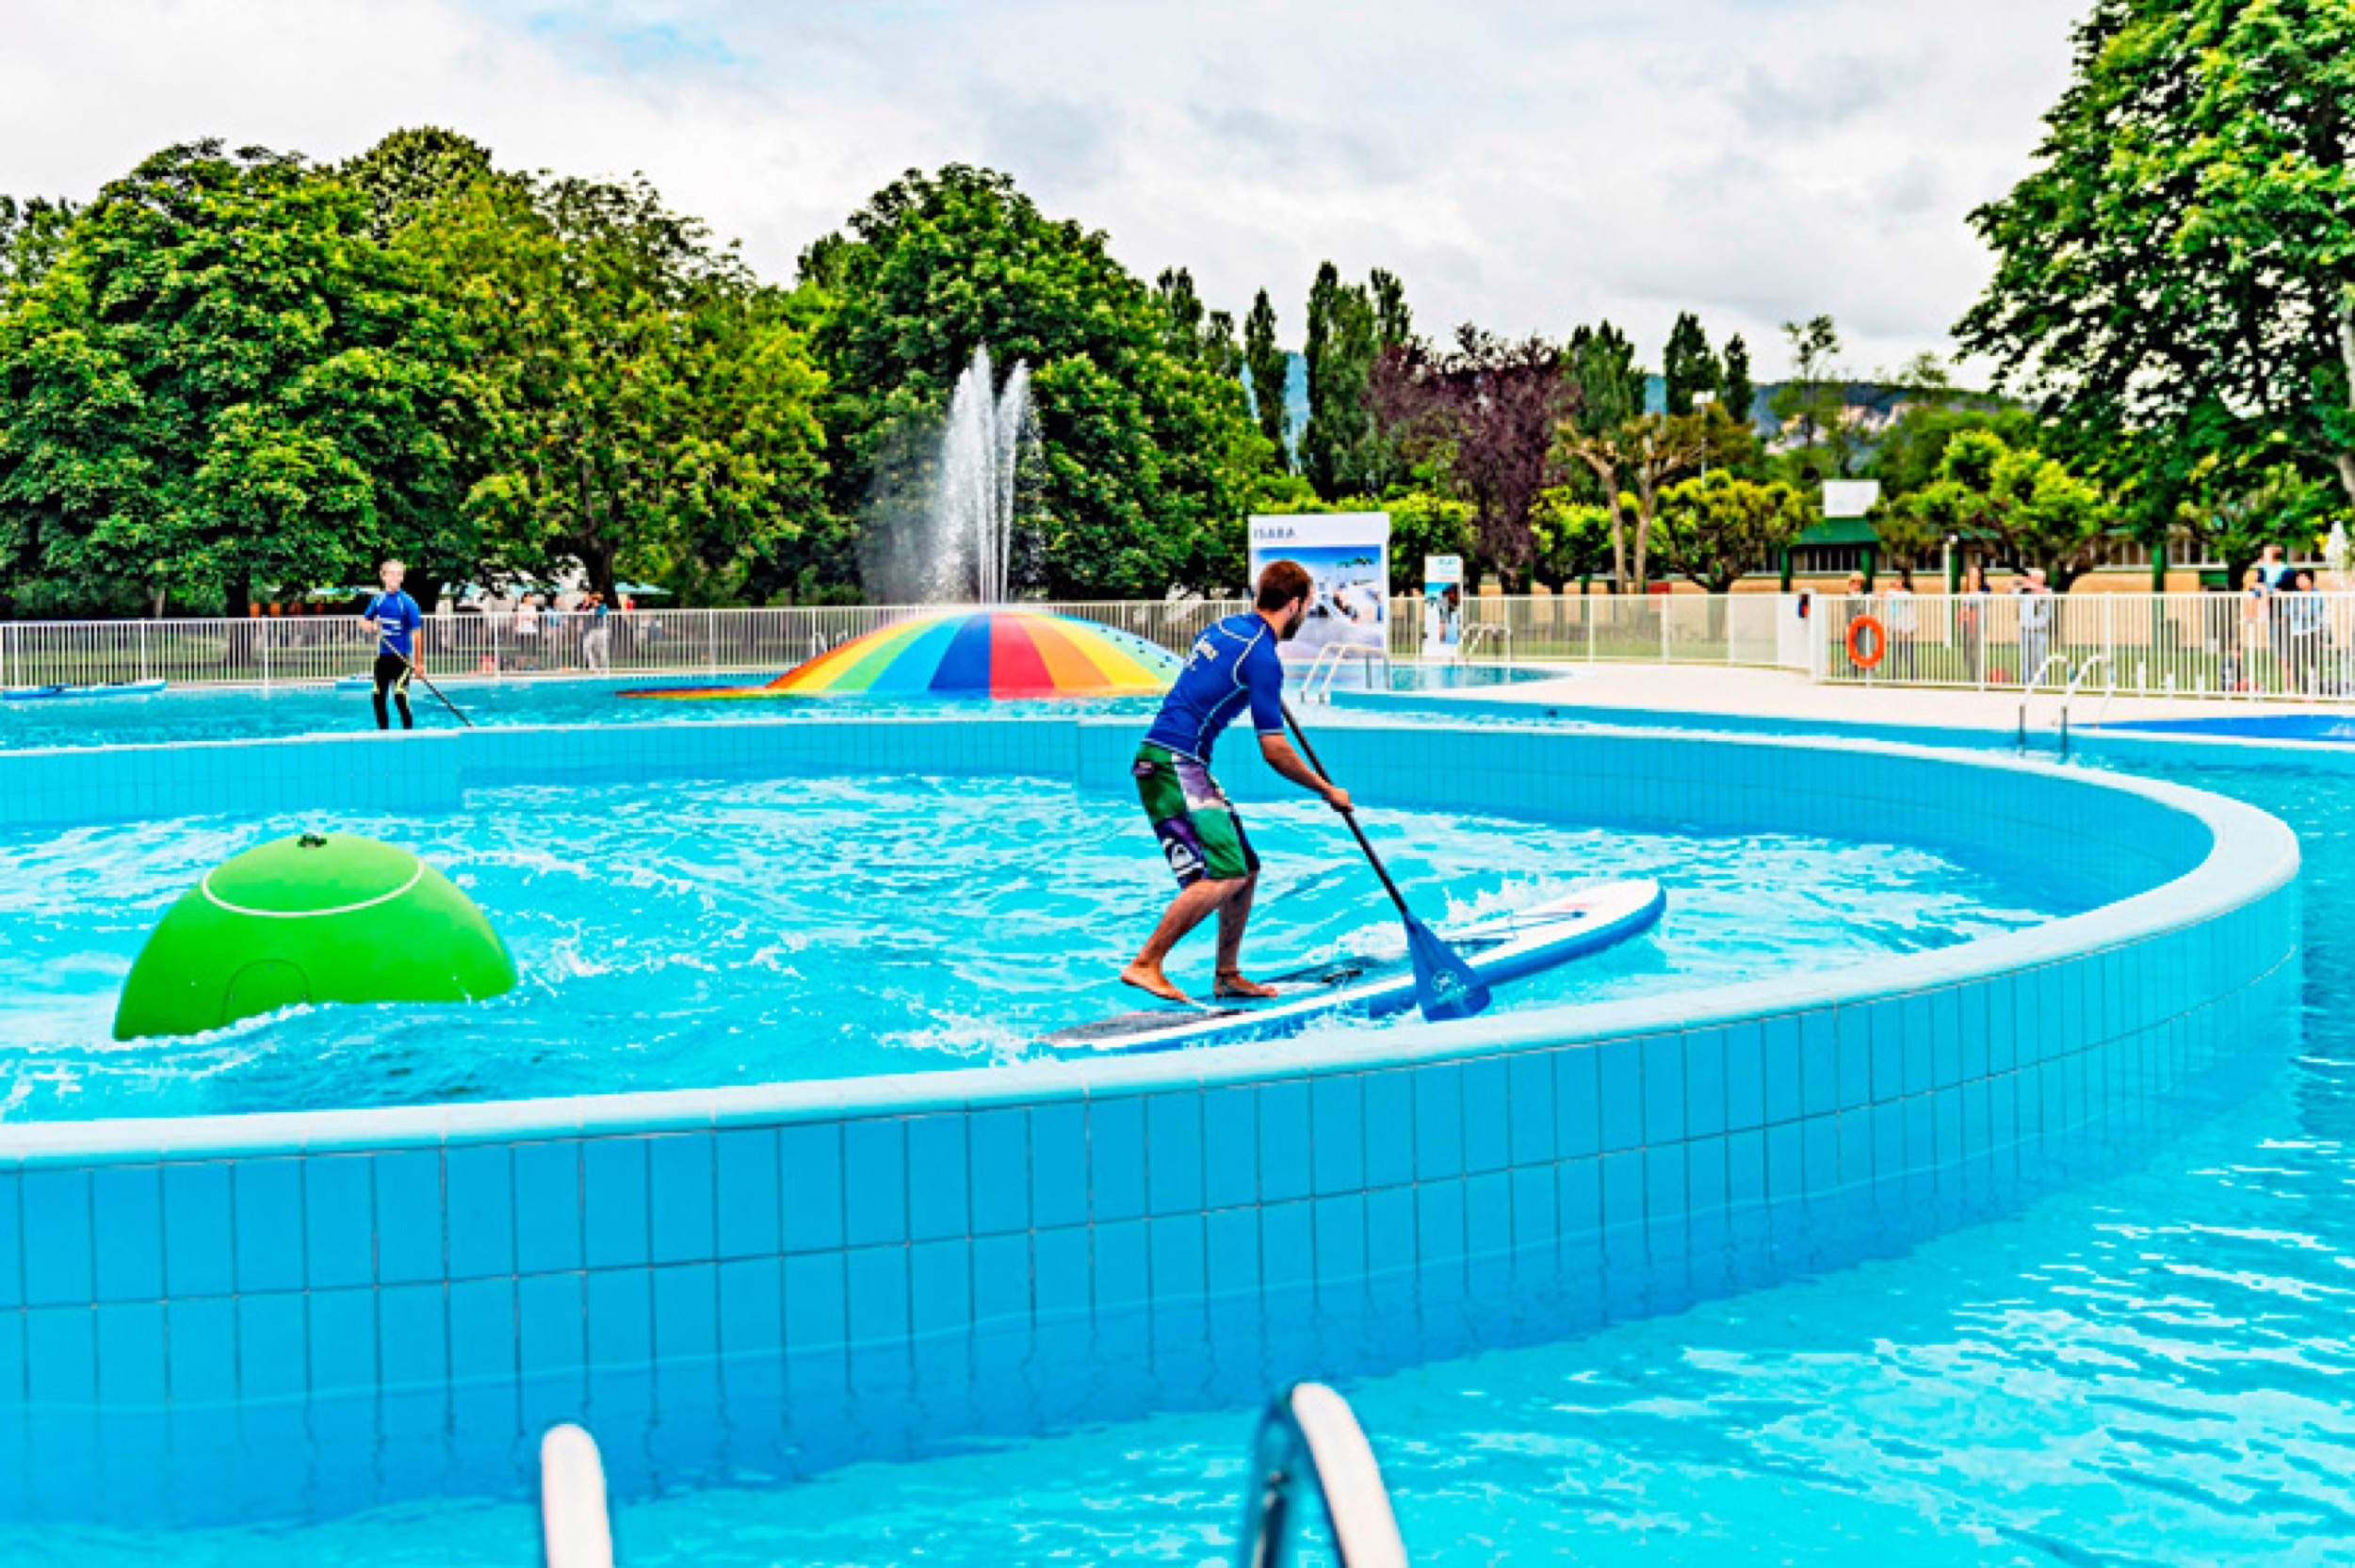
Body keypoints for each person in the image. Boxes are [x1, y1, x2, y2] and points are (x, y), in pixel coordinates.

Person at [1121, 560, 1352, 1004]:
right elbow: (1275, 751)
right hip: (1174, 761)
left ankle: (1227, 974)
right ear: (1295, 604)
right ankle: (1146, 963)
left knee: (1244, 869)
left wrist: (1255, 686)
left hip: (1177, 760)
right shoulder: (1263, 658)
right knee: (1223, 873)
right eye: (1305, 608)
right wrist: (1327, 790)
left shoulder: (1225, 630)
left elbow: (1215, 678)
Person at [360, 559, 424, 732]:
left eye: (399, 574)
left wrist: (418, 664)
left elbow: (417, 633)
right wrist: (370, 626)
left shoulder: (408, 603)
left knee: (399, 695)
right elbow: (364, 620)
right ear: (384, 576)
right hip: (383, 658)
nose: (395, 577)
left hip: (401, 659)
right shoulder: (378, 600)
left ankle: (408, 732)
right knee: (377, 696)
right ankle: (383, 734)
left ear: (402, 578)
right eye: (391, 573)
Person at [2016, 567, 2054, 686]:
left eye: (2034, 578)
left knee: (2041, 660)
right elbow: (2009, 588)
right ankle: (2026, 683)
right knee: (2025, 660)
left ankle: (2042, 684)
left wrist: (2033, 586)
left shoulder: (2048, 590)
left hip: (2040, 630)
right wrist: (2020, 583)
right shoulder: (2024, 591)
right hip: (2025, 630)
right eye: (2031, 577)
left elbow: (2045, 594)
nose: (2031, 580)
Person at [1957, 561, 1990, 685]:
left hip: (1977, 624)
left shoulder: (1984, 590)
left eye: (1976, 575)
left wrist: (1969, 608)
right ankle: (1972, 677)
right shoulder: (1964, 591)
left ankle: (1979, 678)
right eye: (1971, 575)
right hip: (1965, 624)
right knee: (1966, 652)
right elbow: (1961, 606)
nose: (1974, 578)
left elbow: (1981, 603)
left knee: (1977, 651)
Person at [1884, 568, 1918, 680]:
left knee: (1909, 654)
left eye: (1898, 580)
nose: (1896, 583)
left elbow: (1904, 598)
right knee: (1895, 653)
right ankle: (1894, 675)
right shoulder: (1890, 595)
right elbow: (1889, 608)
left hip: (1907, 629)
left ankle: (1913, 675)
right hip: (1896, 628)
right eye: (1894, 581)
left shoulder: (1906, 594)